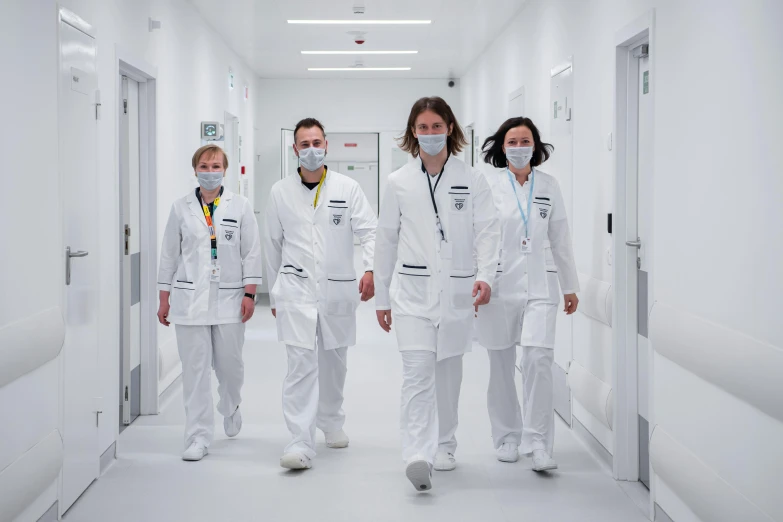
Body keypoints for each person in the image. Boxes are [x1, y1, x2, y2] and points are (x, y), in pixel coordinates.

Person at [374, 97, 500, 491]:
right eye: (422, 127)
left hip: (458, 290)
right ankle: (417, 453)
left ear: (450, 128)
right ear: (413, 132)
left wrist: (486, 275)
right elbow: (386, 240)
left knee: (447, 373)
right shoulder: (398, 181)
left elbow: (488, 230)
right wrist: (381, 297)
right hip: (411, 293)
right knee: (416, 374)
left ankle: (445, 443)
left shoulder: (471, 177)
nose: (429, 134)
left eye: (436, 126)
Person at [263, 118, 377, 471]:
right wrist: (275, 293)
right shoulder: (279, 191)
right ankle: (299, 439)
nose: (311, 149)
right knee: (299, 365)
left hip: (337, 289)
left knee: (334, 362)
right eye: (304, 143)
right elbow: (271, 245)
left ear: (326, 144)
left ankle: (331, 420)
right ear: (294, 149)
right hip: (295, 290)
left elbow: (370, 231)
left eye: (316, 142)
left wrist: (371, 268)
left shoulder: (348, 187)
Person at [475, 117, 579, 472]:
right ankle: (507, 437)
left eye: (525, 140)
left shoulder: (549, 185)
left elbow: (560, 238)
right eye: (512, 141)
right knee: (501, 365)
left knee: (537, 360)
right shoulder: (489, 186)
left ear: (536, 145)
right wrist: (481, 278)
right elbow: (483, 238)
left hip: (539, 285)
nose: (519, 147)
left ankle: (539, 444)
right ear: (502, 148)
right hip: (499, 286)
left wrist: (570, 285)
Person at [157, 144, 263, 461]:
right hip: (189, 300)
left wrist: (249, 293)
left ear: (225, 170)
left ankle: (230, 404)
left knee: (231, 369)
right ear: (195, 170)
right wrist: (164, 297)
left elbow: (252, 252)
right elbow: (168, 255)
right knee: (195, 372)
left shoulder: (240, 206)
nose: (210, 170)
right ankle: (199, 437)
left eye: (216, 165)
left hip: (230, 299)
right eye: (204, 165)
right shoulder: (181, 208)